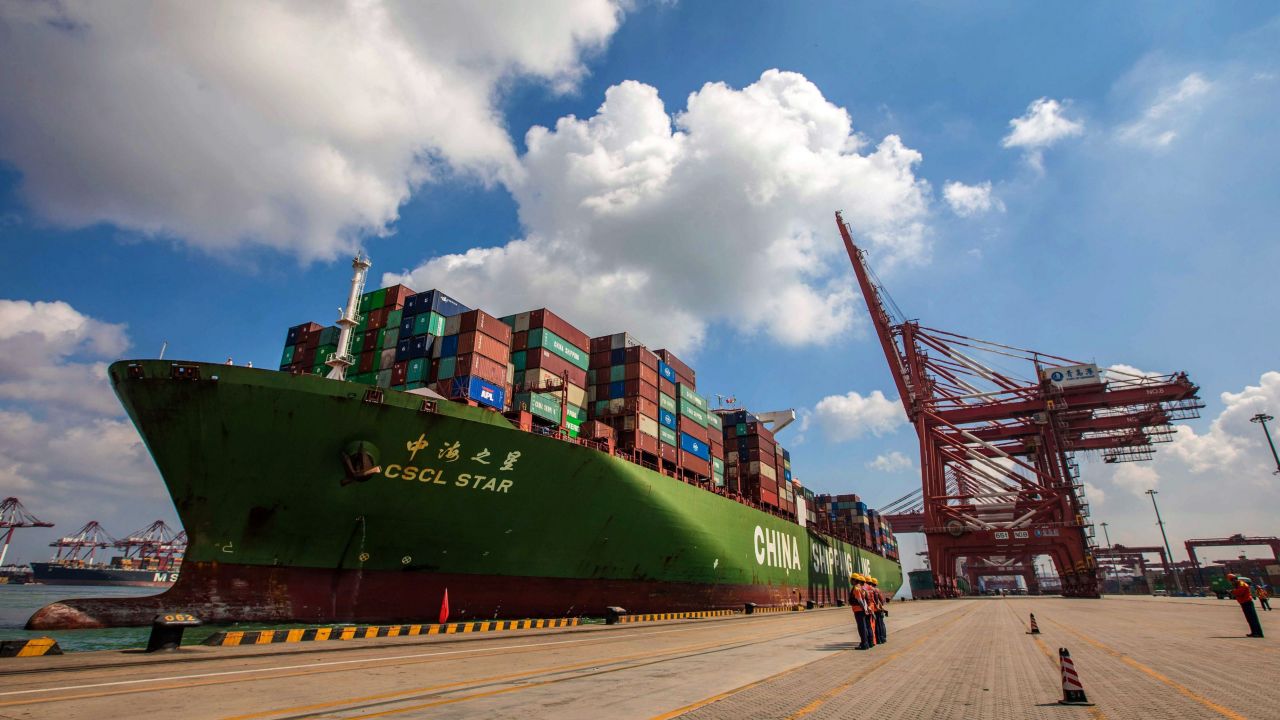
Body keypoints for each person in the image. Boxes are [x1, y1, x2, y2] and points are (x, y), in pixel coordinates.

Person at [1228, 574, 1264, 638]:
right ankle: (1254, 632)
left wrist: (1232, 591)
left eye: (1231, 581)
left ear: (1234, 579)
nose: (1231, 583)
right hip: (1244, 603)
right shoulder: (1238, 584)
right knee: (1249, 619)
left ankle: (1258, 633)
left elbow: (1240, 592)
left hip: (1247, 603)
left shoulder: (1241, 584)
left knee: (1253, 619)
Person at [849, 573, 872, 650]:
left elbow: (860, 600)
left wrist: (864, 609)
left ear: (855, 580)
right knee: (864, 627)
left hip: (859, 610)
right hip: (861, 610)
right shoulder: (862, 588)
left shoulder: (856, 588)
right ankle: (866, 643)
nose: (850, 581)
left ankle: (864, 644)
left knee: (861, 628)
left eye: (851, 579)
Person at [871, 577, 889, 644]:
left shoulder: (872, 590)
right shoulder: (878, 590)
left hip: (876, 610)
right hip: (880, 609)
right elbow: (882, 600)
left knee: (877, 625)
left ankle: (879, 639)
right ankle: (883, 638)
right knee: (882, 624)